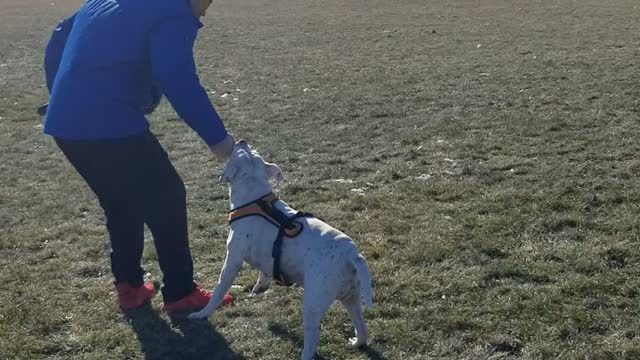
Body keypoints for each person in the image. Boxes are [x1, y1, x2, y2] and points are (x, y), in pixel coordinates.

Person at [42, 0, 234, 312]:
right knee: (168, 196)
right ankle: (180, 292)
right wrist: (219, 140)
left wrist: (62, 96)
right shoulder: (174, 12)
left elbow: (59, 34)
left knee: (120, 201)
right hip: (108, 123)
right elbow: (177, 77)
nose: (206, 9)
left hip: (65, 125)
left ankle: (129, 285)